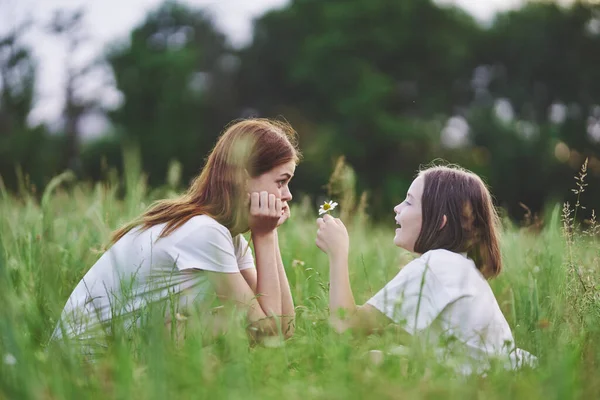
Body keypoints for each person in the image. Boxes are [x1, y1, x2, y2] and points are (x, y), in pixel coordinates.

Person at [52, 118, 300, 351]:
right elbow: (267, 331)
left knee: (220, 322)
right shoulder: (204, 232)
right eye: (281, 182)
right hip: (82, 360)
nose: (287, 195)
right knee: (228, 323)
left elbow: (284, 328)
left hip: (121, 352)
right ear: (243, 178)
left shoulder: (227, 236)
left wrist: (268, 233)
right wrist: (265, 237)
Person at [315, 164, 536, 372]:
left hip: (489, 386)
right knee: (379, 358)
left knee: (372, 361)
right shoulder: (457, 265)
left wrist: (337, 253)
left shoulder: (438, 265)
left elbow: (347, 327)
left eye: (409, 202)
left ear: (440, 222)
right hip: (502, 378)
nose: (397, 207)